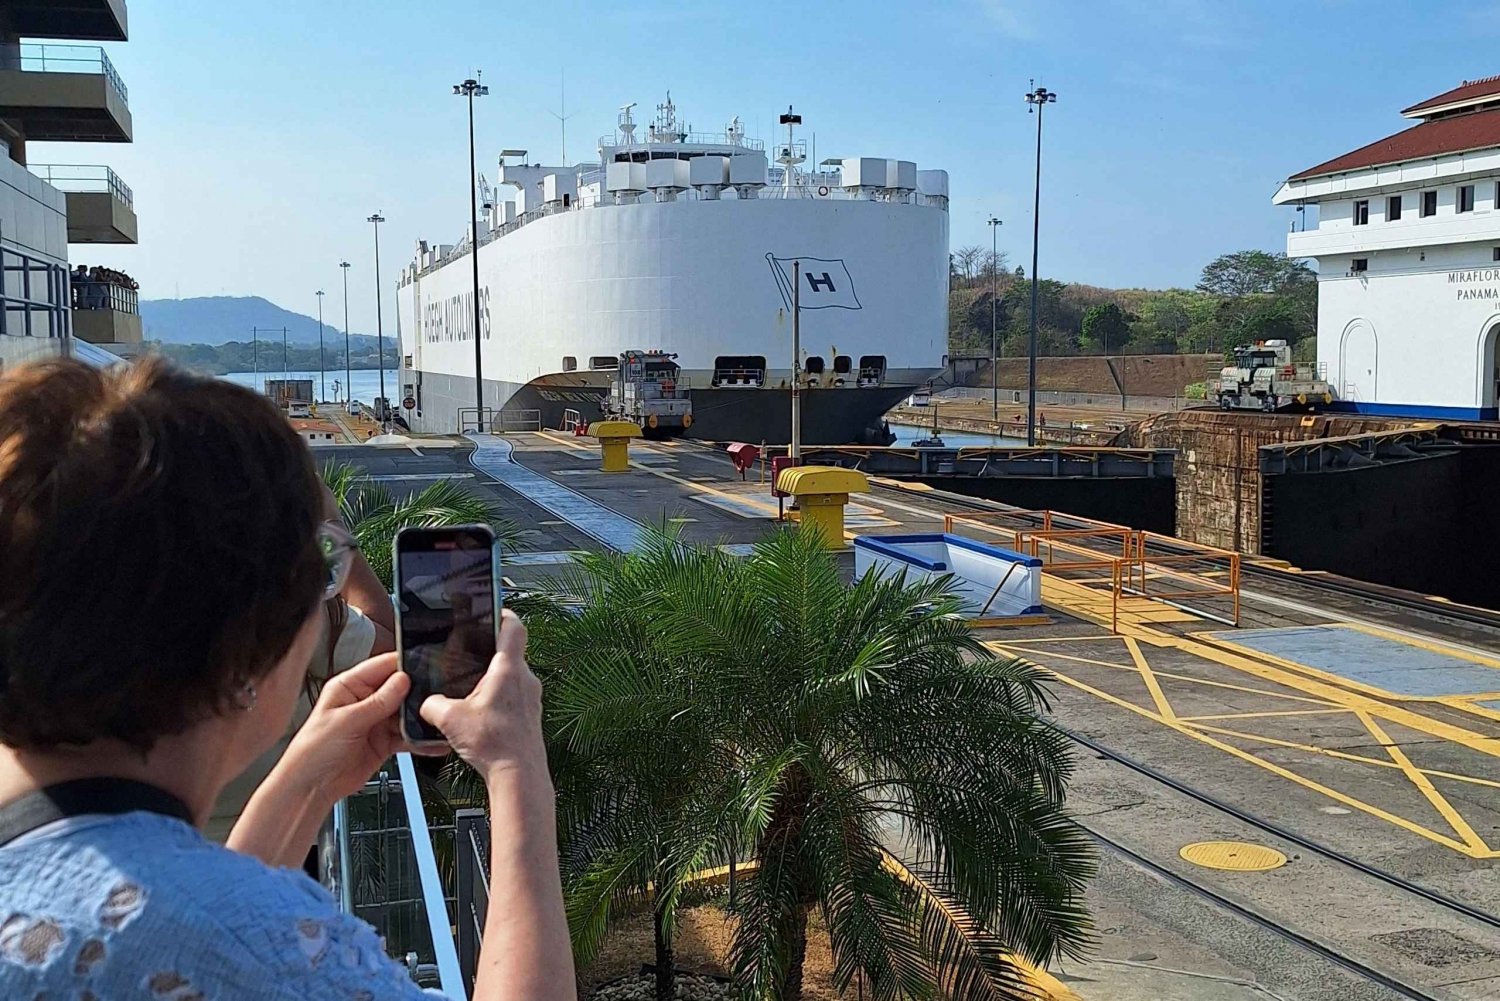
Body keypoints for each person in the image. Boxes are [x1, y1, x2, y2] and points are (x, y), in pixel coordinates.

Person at [0, 358, 573, 1000]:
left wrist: (308, 779)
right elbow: (219, 941)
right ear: (247, 654)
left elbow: (194, 918)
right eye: (321, 570)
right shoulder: (279, 958)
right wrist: (519, 768)